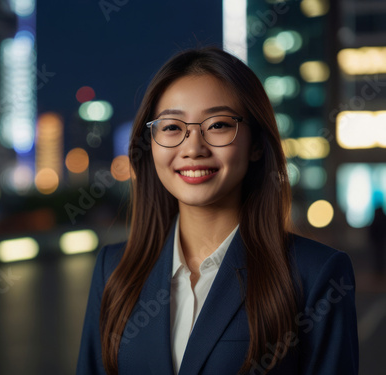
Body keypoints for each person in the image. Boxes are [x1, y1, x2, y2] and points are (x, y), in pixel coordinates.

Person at [77, 46, 358, 375]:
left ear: (255, 144)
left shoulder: (315, 275)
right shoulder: (114, 270)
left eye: (218, 125)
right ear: (149, 143)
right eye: (171, 127)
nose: (193, 147)